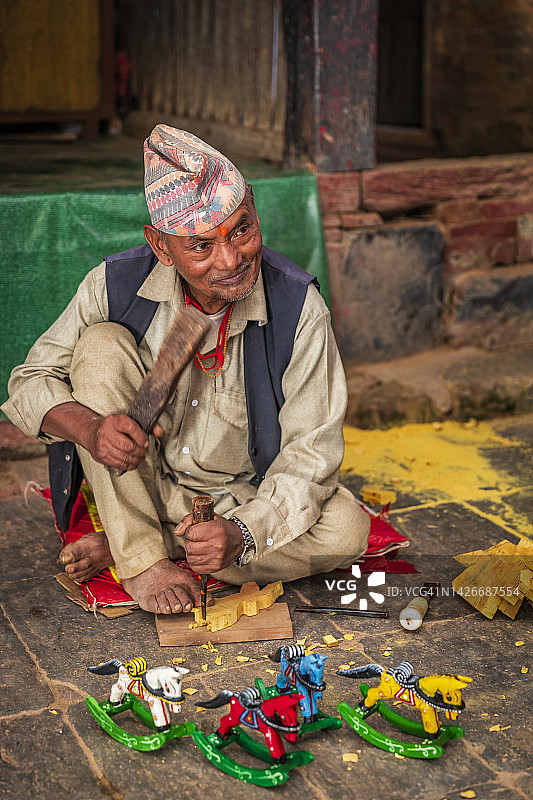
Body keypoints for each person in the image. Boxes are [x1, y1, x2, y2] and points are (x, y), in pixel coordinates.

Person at [2, 125, 370, 614]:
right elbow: (28, 382)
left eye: (243, 229)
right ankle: (144, 560)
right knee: (99, 348)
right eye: (200, 246)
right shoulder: (112, 285)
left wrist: (242, 534)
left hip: (244, 497)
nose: (231, 259)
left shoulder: (299, 307)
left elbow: (311, 453)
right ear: (160, 246)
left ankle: (142, 544)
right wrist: (91, 431)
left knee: (347, 529)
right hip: (144, 487)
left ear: (255, 206)